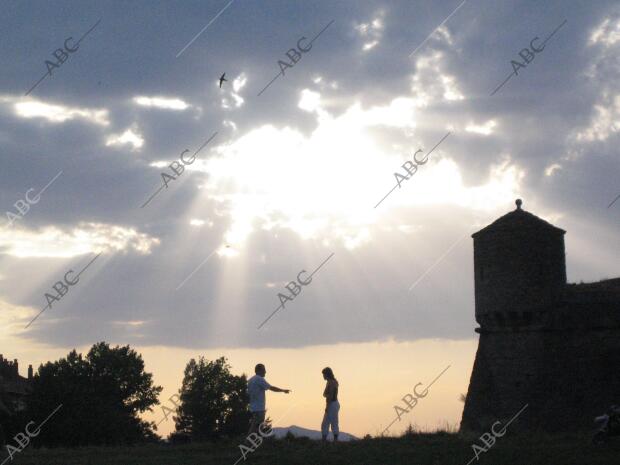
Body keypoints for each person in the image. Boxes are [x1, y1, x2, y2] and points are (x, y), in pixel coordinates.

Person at [247, 363, 290, 435]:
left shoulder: (250, 380)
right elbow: (271, 388)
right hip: (259, 409)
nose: (265, 372)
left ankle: (249, 442)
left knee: (254, 427)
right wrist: (283, 390)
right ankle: (248, 443)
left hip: (253, 408)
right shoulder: (259, 379)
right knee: (257, 429)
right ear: (259, 370)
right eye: (264, 370)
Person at [321, 367, 340, 441]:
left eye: (324, 374)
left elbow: (330, 396)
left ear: (327, 374)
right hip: (334, 404)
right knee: (331, 422)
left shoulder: (331, 382)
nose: (323, 376)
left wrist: (327, 407)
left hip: (332, 404)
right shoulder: (332, 382)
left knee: (328, 422)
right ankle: (333, 439)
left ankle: (328, 439)